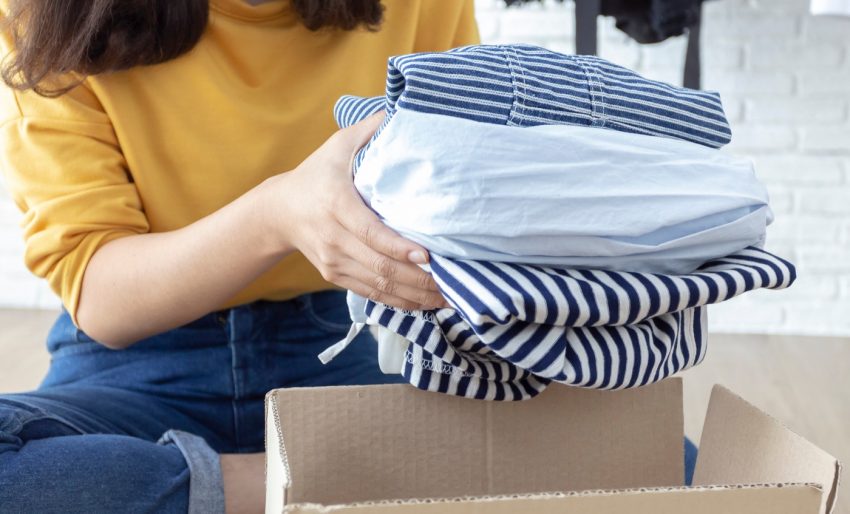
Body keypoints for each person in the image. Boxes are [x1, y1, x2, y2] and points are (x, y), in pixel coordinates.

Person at [0, 1, 478, 512]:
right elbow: (100, 296)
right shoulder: (52, 15)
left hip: (331, 341)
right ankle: (290, 486)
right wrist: (275, 214)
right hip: (131, 366)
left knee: (510, 431)